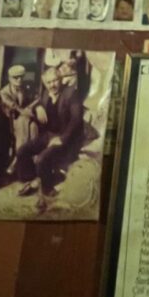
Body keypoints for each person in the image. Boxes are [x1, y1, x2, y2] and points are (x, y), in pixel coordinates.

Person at [14, 51, 92, 213]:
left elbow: (76, 120)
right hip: (49, 135)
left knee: (41, 160)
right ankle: (32, 180)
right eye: (49, 82)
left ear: (60, 80)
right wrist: (38, 107)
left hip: (66, 139)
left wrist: (62, 139)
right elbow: (37, 103)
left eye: (55, 81)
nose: (52, 85)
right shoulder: (45, 94)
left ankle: (47, 190)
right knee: (22, 151)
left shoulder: (71, 93)